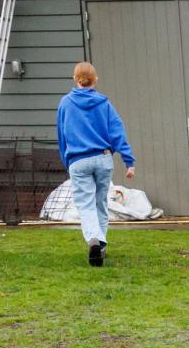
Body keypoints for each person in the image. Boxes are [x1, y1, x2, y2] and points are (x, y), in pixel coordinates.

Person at [55, 61, 136, 267]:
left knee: (85, 205)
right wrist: (129, 161)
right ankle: (101, 246)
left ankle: (93, 240)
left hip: (78, 160)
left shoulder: (65, 103)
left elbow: (62, 136)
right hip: (103, 158)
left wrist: (68, 161)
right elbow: (117, 133)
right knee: (101, 202)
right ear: (95, 79)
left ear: (75, 79)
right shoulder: (104, 104)